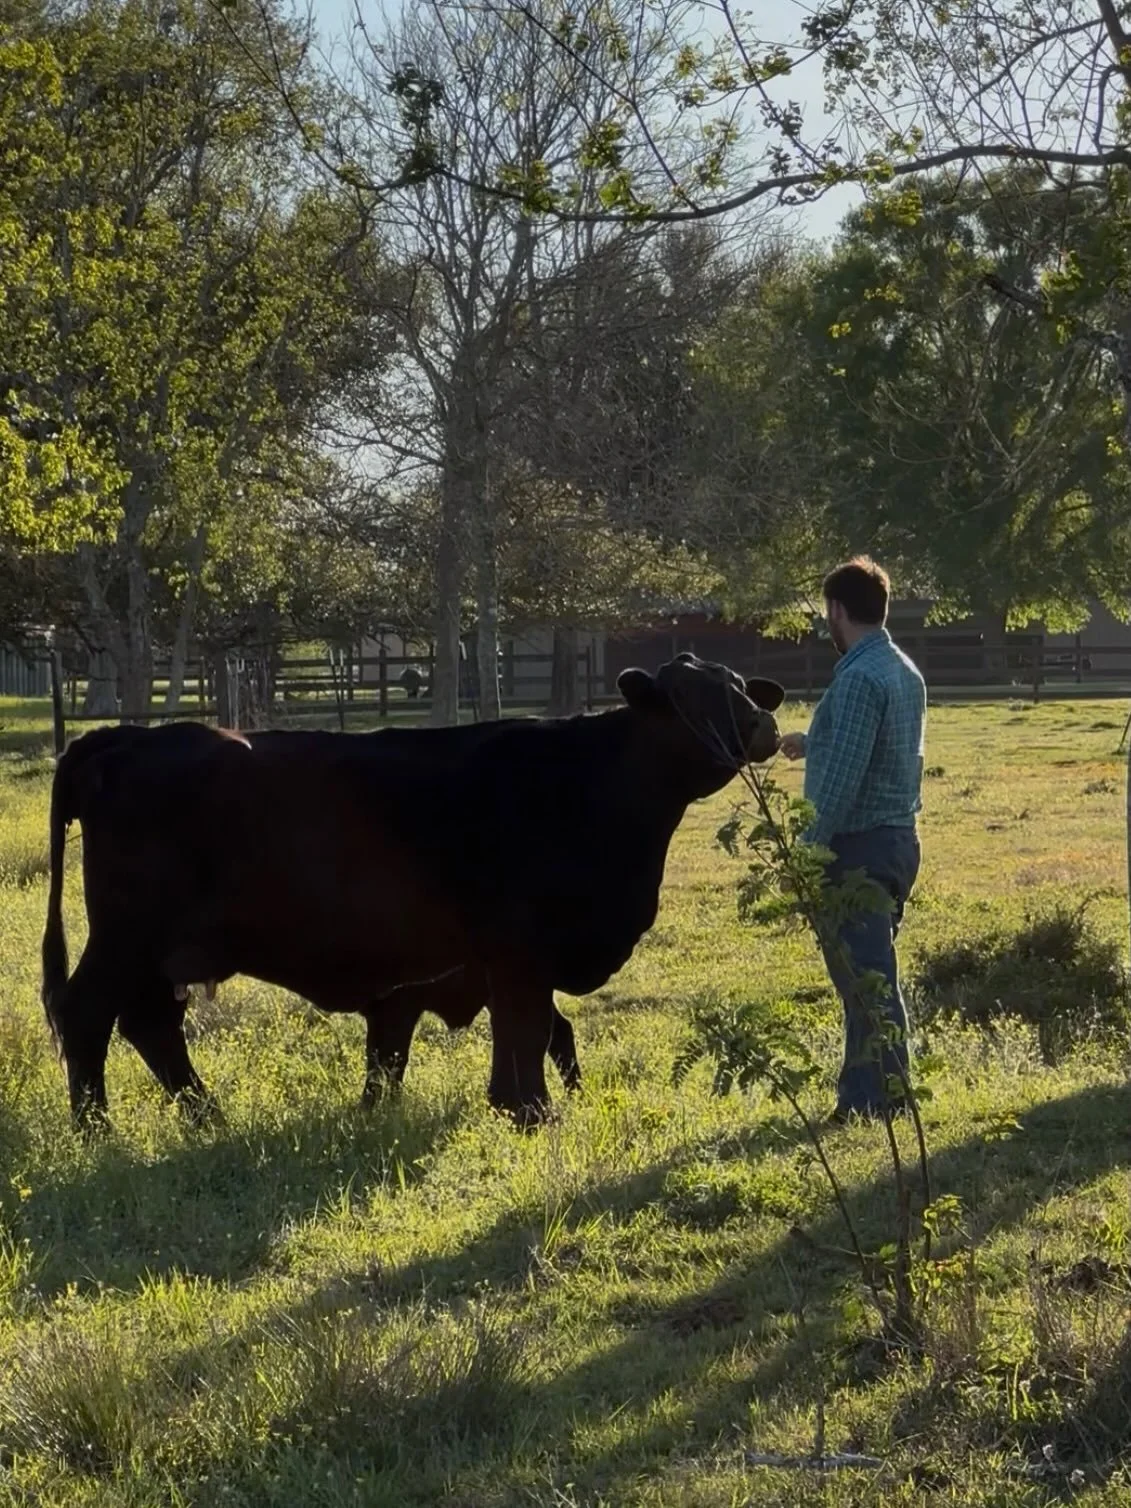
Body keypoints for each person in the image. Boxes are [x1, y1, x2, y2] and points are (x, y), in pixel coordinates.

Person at [779, 557, 926, 1123]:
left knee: (863, 981)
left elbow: (843, 780)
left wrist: (807, 850)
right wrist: (813, 740)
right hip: (895, 838)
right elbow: (877, 750)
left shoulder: (859, 677)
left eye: (826, 613)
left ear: (836, 610)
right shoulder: (900, 668)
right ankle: (876, 1092)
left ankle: (874, 1100)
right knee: (870, 974)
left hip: (858, 846)